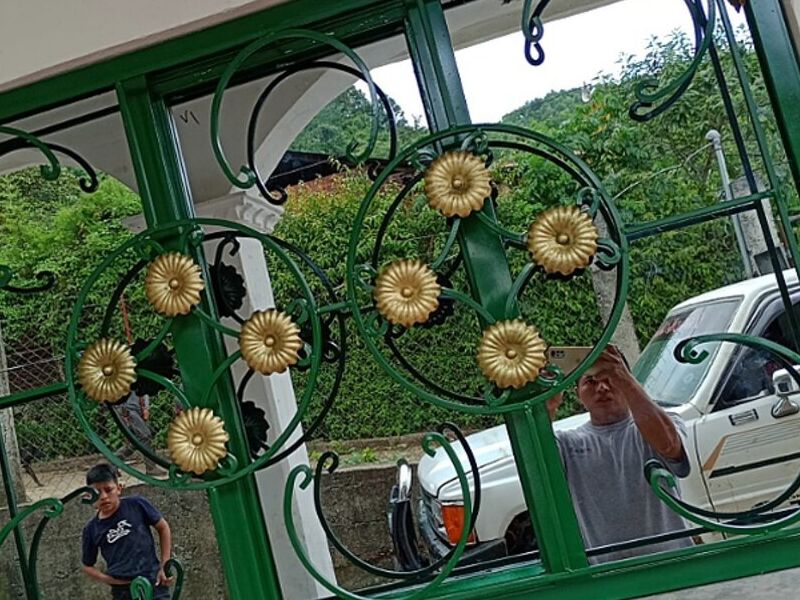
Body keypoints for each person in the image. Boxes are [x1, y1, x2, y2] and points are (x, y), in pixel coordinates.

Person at [553, 347, 692, 563]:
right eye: (590, 381)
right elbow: (537, 464)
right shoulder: (567, 444)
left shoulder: (664, 423)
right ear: (578, 394)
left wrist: (624, 379)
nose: (602, 387)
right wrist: (547, 405)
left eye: (610, 378)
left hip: (674, 564)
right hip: (609, 575)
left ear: (628, 380)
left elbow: (670, 446)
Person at [81, 464, 173, 599]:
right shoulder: (91, 529)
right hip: (123, 591)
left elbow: (163, 527)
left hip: (152, 581)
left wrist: (165, 563)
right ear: (89, 496)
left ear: (119, 488)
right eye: (97, 493)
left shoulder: (137, 504)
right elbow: (87, 566)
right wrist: (109, 580)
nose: (104, 496)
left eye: (108, 490)